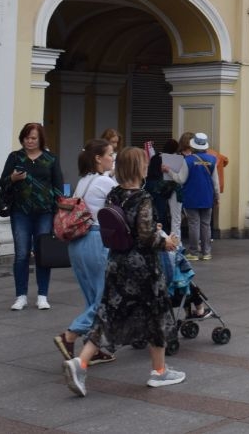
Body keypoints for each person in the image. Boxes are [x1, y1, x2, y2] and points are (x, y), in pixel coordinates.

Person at [63, 147, 185, 396]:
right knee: (156, 314)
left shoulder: (113, 194)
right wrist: (167, 242)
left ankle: (80, 362)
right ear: (139, 168)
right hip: (142, 267)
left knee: (108, 313)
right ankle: (159, 372)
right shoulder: (143, 197)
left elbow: (124, 224)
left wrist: (150, 226)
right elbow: (146, 238)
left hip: (116, 262)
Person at [53, 139, 118, 366]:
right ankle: (69, 335)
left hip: (77, 242)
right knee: (104, 299)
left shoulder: (84, 181)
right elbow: (124, 207)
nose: (113, 157)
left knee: (92, 297)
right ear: (98, 158)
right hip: (96, 240)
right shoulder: (105, 182)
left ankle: (94, 347)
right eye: (110, 154)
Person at [0, 122, 63, 310]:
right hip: (20, 212)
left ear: (40, 139)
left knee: (43, 253)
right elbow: (2, 181)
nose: (30, 141)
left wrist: (59, 211)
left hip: (45, 212)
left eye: (33, 138)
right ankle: (21, 296)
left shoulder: (51, 159)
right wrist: (12, 178)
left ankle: (42, 295)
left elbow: (58, 186)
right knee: (21, 254)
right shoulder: (15, 157)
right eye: (27, 138)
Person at [180, 132, 216, 261]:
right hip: (207, 196)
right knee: (206, 225)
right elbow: (215, 181)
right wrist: (216, 195)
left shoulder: (188, 160)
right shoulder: (212, 159)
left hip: (191, 196)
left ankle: (194, 252)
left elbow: (181, 179)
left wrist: (171, 173)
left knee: (194, 224)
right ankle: (207, 252)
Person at [158, 139, 187, 238]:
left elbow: (179, 179)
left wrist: (168, 170)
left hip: (173, 190)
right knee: (176, 217)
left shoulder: (163, 158)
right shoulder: (182, 159)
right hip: (176, 190)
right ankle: (176, 241)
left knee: (175, 216)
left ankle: (176, 242)